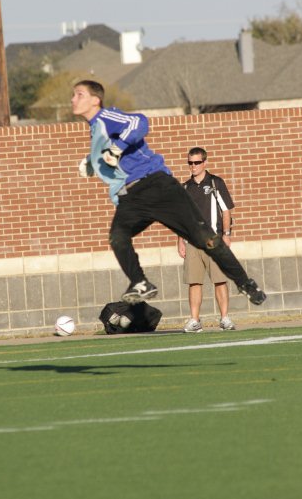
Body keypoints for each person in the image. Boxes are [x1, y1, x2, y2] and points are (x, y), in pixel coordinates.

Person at [72, 79, 266, 308]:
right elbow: (110, 160)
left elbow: (139, 123)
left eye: (79, 94)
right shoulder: (95, 130)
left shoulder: (105, 117)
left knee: (207, 239)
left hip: (157, 184)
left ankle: (246, 283)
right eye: (74, 95)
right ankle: (140, 283)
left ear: (96, 100)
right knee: (118, 237)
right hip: (133, 196)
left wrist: (117, 148)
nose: (73, 99)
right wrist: (92, 163)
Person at [178, 147, 236, 332]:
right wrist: (180, 240)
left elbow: (226, 210)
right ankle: (194, 320)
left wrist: (226, 234)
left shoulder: (215, 183)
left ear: (204, 162)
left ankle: (225, 318)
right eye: (190, 163)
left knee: (219, 280)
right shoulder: (185, 187)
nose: (193, 166)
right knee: (194, 281)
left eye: (196, 162)